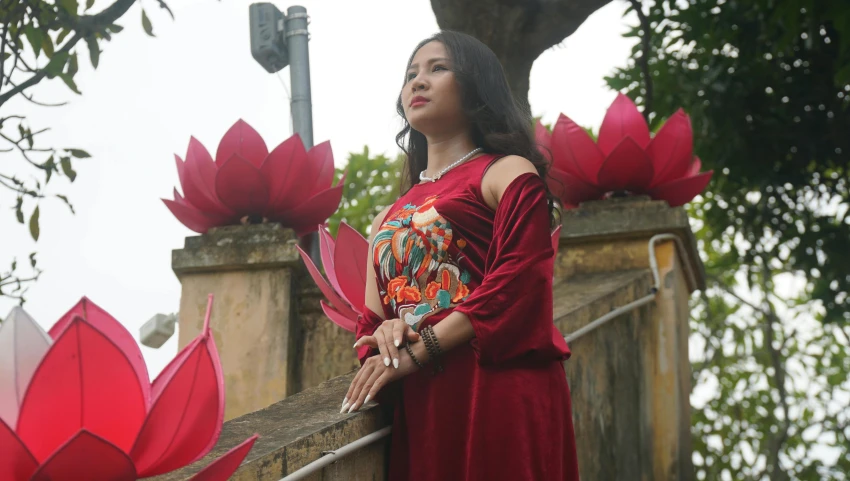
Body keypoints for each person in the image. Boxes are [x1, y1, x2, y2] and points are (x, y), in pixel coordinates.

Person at [342, 30, 579, 481]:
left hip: (496, 386)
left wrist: (423, 347)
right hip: (425, 401)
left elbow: (519, 281)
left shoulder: (506, 173)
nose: (418, 82)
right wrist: (389, 332)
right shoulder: (386, 219)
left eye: (437, 68)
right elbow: (369, 323)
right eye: (411, 74)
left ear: (476, 87)